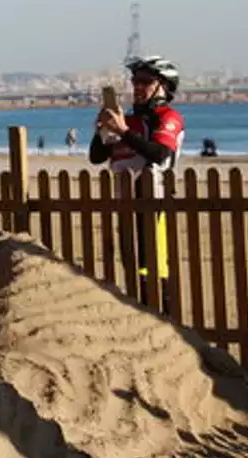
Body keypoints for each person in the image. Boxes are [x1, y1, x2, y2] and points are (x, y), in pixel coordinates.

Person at [89, 55, 185, 310]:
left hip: (155, 204)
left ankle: (166, 319)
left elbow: (160, 154)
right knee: (131, 266)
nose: (138, 87)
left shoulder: (167, 116)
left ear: (163, 85)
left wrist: (123, 132)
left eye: (145, 81)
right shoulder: (127, 120)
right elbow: (97, 157)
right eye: (135, 81)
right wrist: (101, 131)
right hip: (125, 203)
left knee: (154, 267)